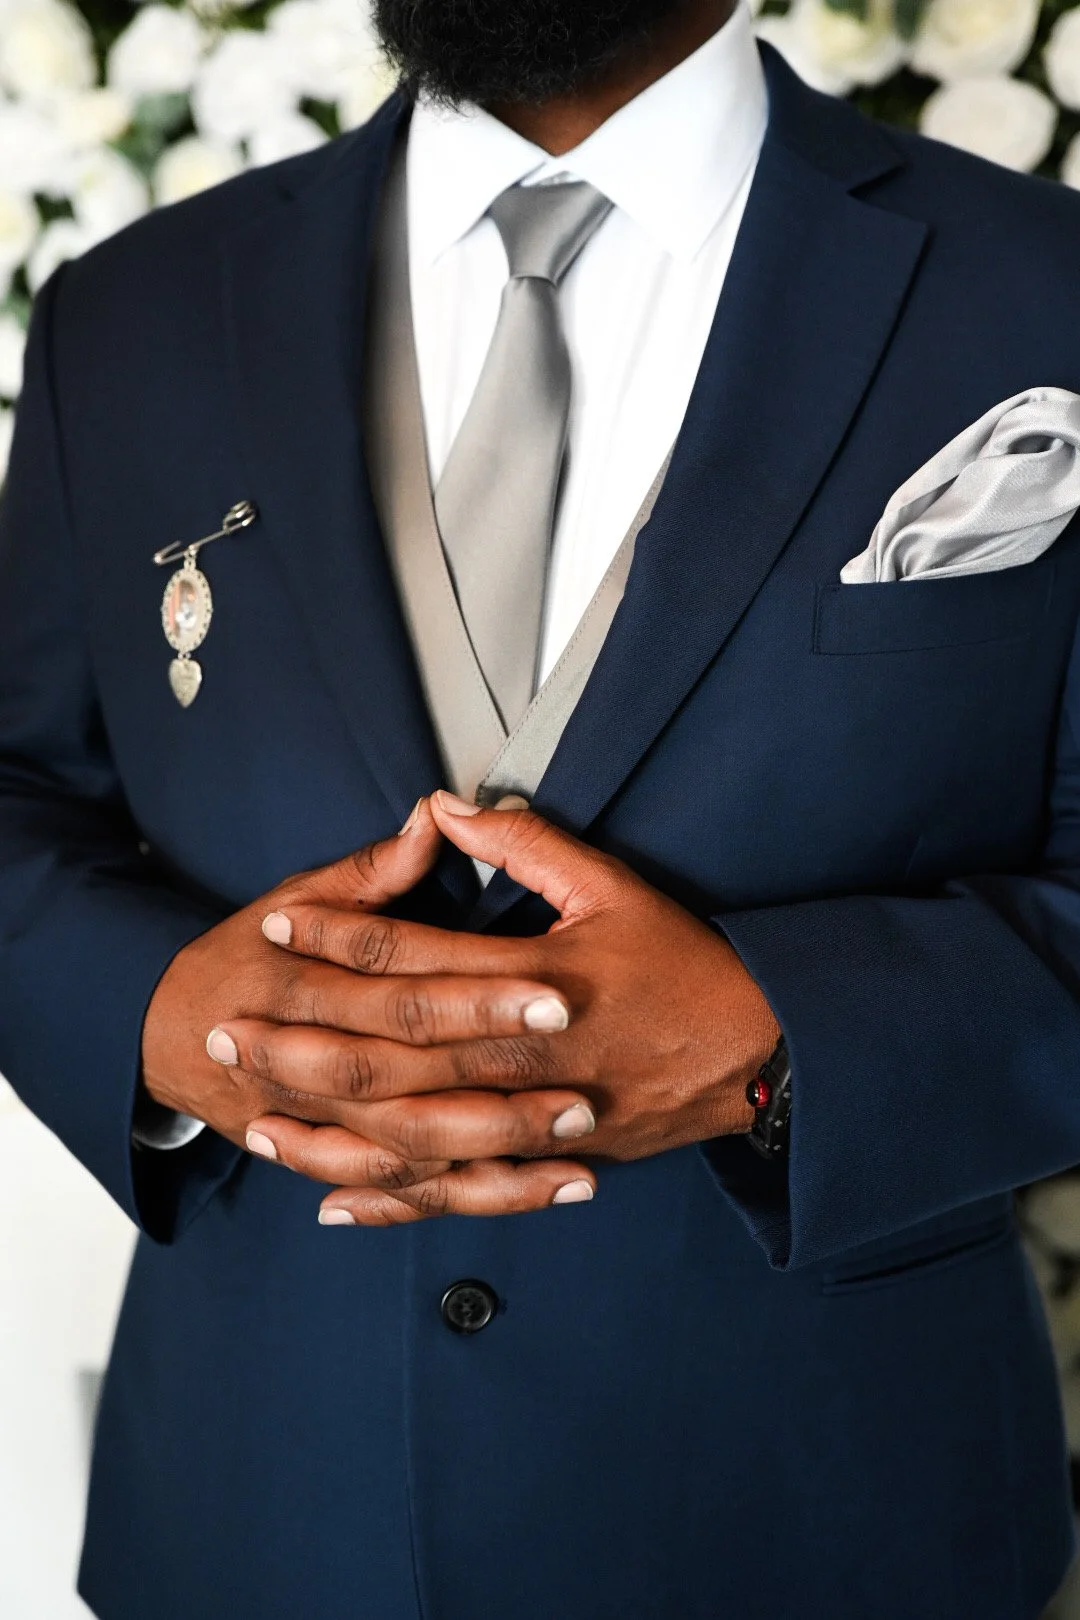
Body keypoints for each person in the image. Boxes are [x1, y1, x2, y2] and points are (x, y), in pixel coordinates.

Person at [3, 0, 1080, 1613]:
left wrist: (796, 1043)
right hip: (262, 1511)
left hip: (835, 1520)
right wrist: (153, 1013)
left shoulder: (1041, 286)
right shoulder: (135, 310)